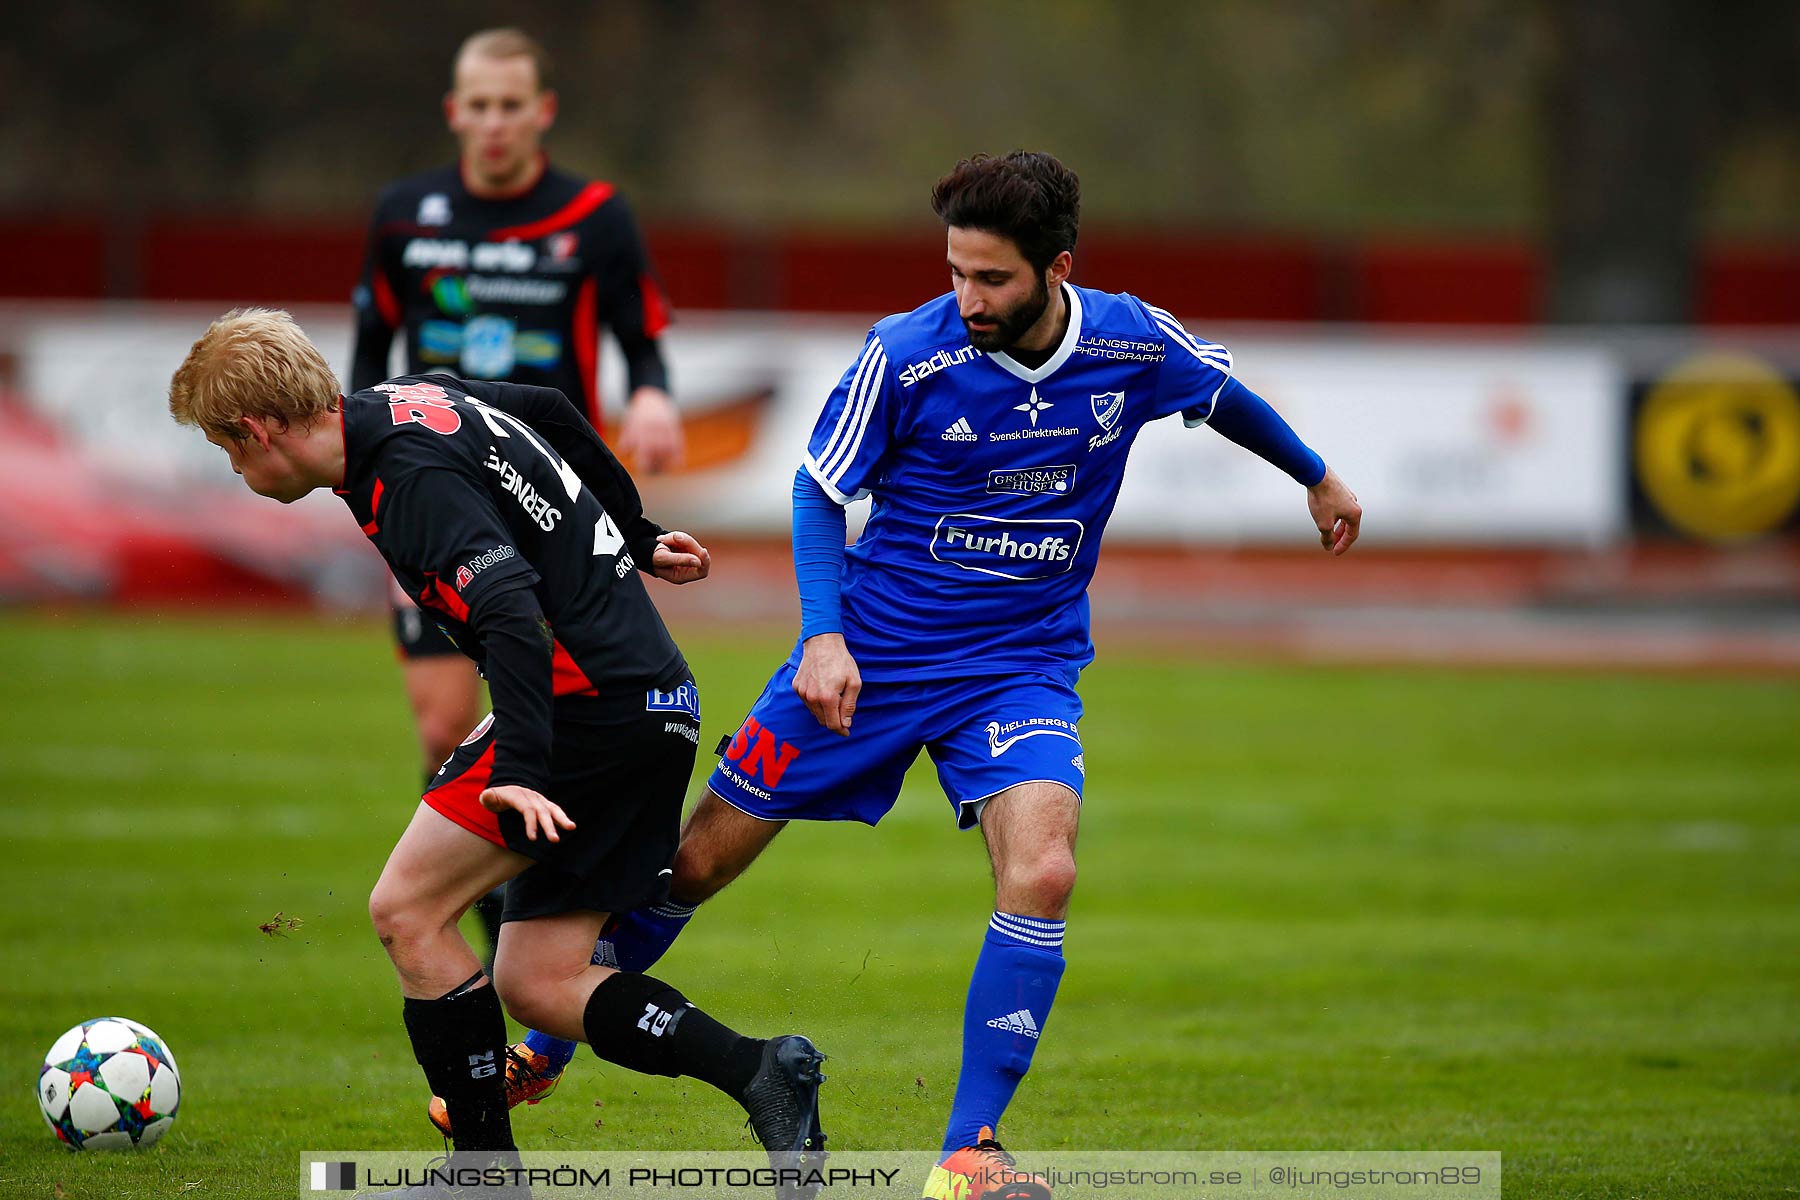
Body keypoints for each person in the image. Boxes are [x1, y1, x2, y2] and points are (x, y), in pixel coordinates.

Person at [514, 150, 1362, 1192]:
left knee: (1044, 872)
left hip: (1022, 667)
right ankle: (555, 1033)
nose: (967, 297)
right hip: (869, 660)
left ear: (1058, 267)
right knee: (695, 866)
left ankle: (969, 1152)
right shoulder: (905, 355)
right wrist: (822, 637)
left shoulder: (1133, 337)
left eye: (992, 278)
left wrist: (1316, 477)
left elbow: (1221, 391)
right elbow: (820, 491)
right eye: (956, 271)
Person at [168, 310, 826, 1197]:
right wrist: (631, 532)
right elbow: (550, 408)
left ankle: (483, 1174)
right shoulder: (407, 402)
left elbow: (511, 610)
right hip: (650, 698)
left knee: (408, 911)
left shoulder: (406, 486)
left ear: (258, 430)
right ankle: (763, 1073)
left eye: (229, 451)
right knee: (540, 980)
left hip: (587, 710)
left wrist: (518, 768)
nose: (237, 470)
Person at [350, 29, 684, 962]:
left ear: (542, 113)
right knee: (446, 723)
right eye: (478, 105)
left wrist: (652, 392)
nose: (493, 122)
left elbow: (640, 330)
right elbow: (369, 358)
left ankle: (530, 933)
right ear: (454, 112)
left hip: (546, 503)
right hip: (425, 492)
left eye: (512, 105)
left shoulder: (595, 213)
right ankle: (480, 919)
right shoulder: (403, 213)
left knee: (562, 701)